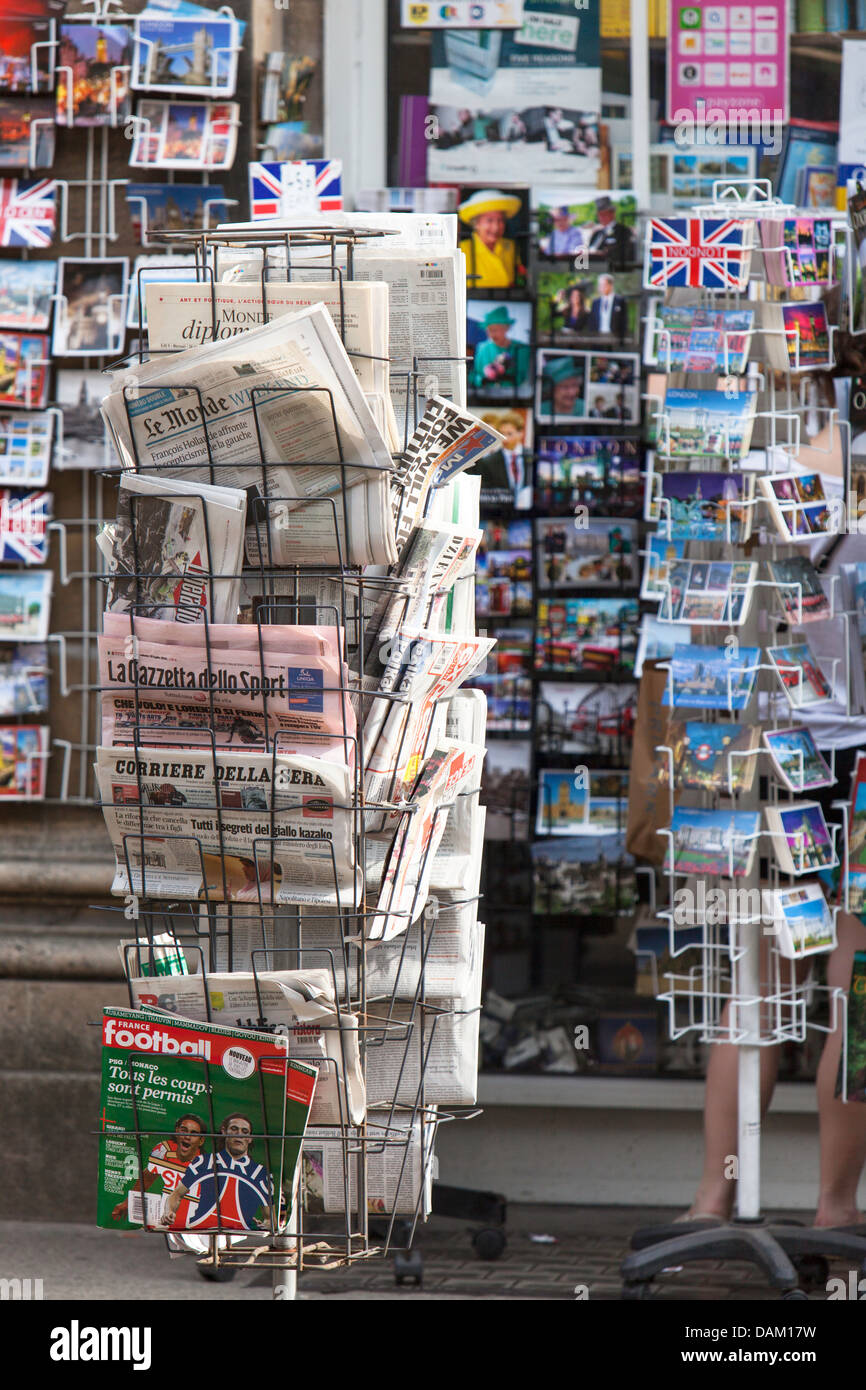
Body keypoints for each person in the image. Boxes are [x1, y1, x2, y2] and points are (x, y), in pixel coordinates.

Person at [160, 1112, 275, 1232]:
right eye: (234, 1129)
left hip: (240, 1232)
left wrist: (267, 1223)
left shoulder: (260, 1173)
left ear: (250, 1138)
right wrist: (169, 1211)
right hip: (201, 1229)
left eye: (244, 1131)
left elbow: (270, 1218)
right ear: (224, 1132)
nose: (239, 1134)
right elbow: (176, 1194)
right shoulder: (204, 1162)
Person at [110, 1115, 206, 1224]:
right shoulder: (163, 1150)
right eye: (184, 1130)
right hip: (164, 1217)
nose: (187, 1137)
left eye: (194, 1134)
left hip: (194, 1220)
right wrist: (128, 1202)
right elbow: (147, 1178)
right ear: (176, 1131)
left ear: (201, 1140)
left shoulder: (205, 1162)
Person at [458, 189, 523, 290]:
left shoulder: (510, 246)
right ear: (476, 224)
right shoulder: (462, 249)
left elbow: (519, 278)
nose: (496, 227)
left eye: (500, 220)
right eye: (489, 220)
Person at [469, 305, 531, 394]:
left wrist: (504, 376)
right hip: (484, 398)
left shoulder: (522, 349)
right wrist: (483, 379)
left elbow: (524, 378)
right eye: (489, 330)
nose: (492, 335)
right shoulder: (482, 348)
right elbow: (473, 376)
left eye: (495, 330)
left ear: (506, 328)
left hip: (513, 399)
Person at [582, 194, 637, 262]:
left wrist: (603, 253)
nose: (601, 217)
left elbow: (626, 253)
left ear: (612, 213)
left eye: (604, 214)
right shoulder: (597, 233)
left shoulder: (623, 230)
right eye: (599, 214)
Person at [587, 273, 627, 337]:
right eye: (600, 285)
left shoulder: (620, 301)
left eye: (604, 285)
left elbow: (623, 321)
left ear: (611, 285)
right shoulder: (596, 302)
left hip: (614, 337)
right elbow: (592, 321)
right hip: (598, 337)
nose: (601, 288)